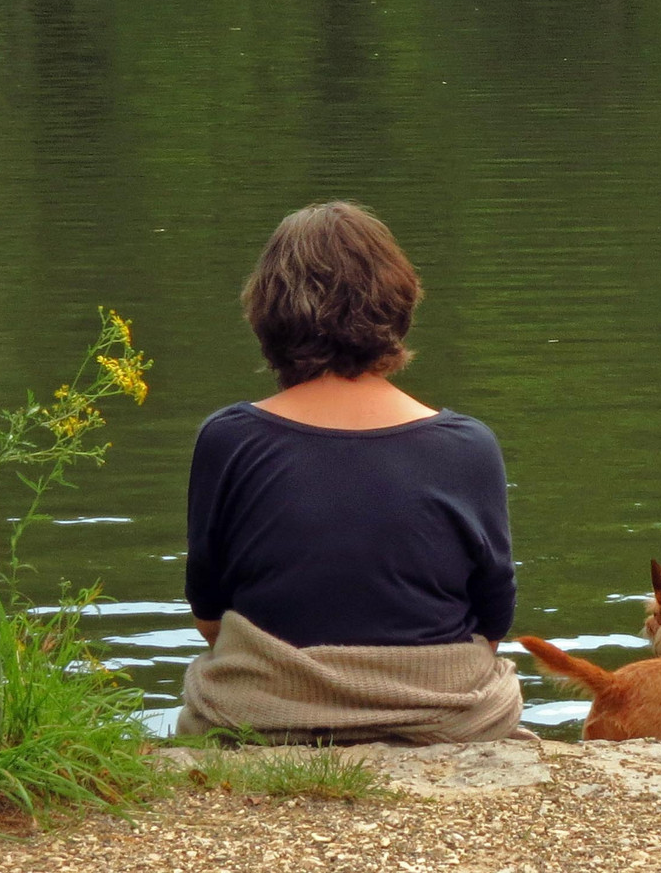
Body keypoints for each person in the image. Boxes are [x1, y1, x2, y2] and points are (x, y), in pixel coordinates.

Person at [178, 201, 524, 745]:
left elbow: (210, 614)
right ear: (399, 303)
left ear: (266, 310)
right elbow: (492, 620)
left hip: (267, 717)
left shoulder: (229, 439)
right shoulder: (469, 445)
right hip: (442, 717)